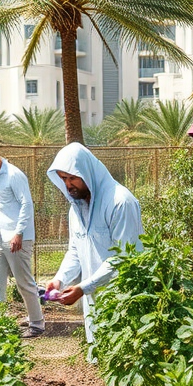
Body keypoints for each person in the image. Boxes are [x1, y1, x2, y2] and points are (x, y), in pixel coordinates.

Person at [45, 143, 143, 353]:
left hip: (122, 296)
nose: (68, 185)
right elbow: (75, 251)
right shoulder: (76, 208)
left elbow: (124, 258)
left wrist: (83, 287)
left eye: (72, 178)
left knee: (126, 354)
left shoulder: (120, 202)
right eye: (63, 179)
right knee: (102, 358)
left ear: (87, 173)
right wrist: (60, 278)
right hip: (94, 297)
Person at [0, 141, 45, 339]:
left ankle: (37, 324)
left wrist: (19, 233)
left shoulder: (14, 175)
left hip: (17, 239)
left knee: (24, 282)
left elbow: (26, 204)